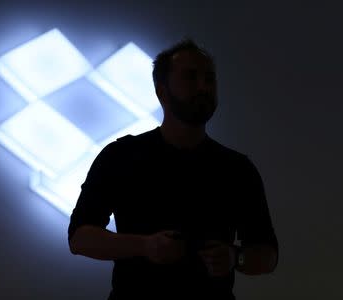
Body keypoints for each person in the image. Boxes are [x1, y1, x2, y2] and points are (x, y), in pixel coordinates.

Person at [67, 38, 279, 300]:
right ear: (162, 92)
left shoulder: (237, 169)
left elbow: (268, 255)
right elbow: (79, 238)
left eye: (209, 79)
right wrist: (144, 246)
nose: (203, 87)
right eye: (190, 77)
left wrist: (235, 257)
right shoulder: (121, 156)